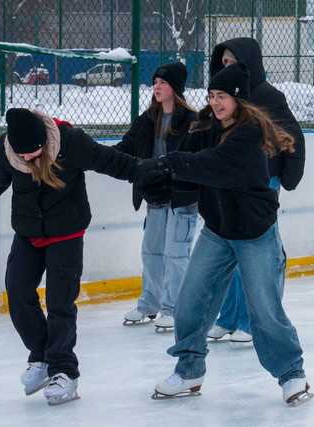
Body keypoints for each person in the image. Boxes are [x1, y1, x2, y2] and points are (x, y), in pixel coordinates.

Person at [133, 63, 313, 406]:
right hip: (217, 230)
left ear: (239, 100)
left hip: (255, 232)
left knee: (264, 309)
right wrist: (148, 173)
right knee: (189, 302)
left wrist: (169, 165)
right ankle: (188, 370)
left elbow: (212, 165)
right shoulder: (206, 127)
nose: (216, 103)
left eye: (222, 97)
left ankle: (292, 375)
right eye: (212, 96)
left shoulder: (249, 135)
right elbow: (181, 158)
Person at [0, 108, 139, 406]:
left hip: (66, 233)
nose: (29, 160)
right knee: (17, 291)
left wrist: (146, 172)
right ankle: (42, 357)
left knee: (60, 303)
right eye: (23, 157)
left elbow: (109, 160)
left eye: (34, 154)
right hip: (29, 233)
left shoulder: (69, 141)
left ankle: (64, 371)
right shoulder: (8, 150)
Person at [206, 37, 306, 343]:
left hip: (263, 182)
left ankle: (254, 321)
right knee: (233, 252)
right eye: (223, 63)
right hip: (231, 185)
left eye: (233, 62)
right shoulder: (223, 97)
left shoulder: (267, 96)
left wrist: (286, 177)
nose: (227, 67)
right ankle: (230, 318)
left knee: (262, 255)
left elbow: (293, 137)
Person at [114, 62, 198, 331]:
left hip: (182, 198)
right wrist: (96, 157)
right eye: (155, 82)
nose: (157, 87)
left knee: (176, 254)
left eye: (163, 82)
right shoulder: (147, 119)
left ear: (175, 87)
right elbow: (125, 147)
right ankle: (149, 303)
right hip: (155, 196)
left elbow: (196, 159)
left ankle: (174, 308)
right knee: (151, 252)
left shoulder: (191, 122)